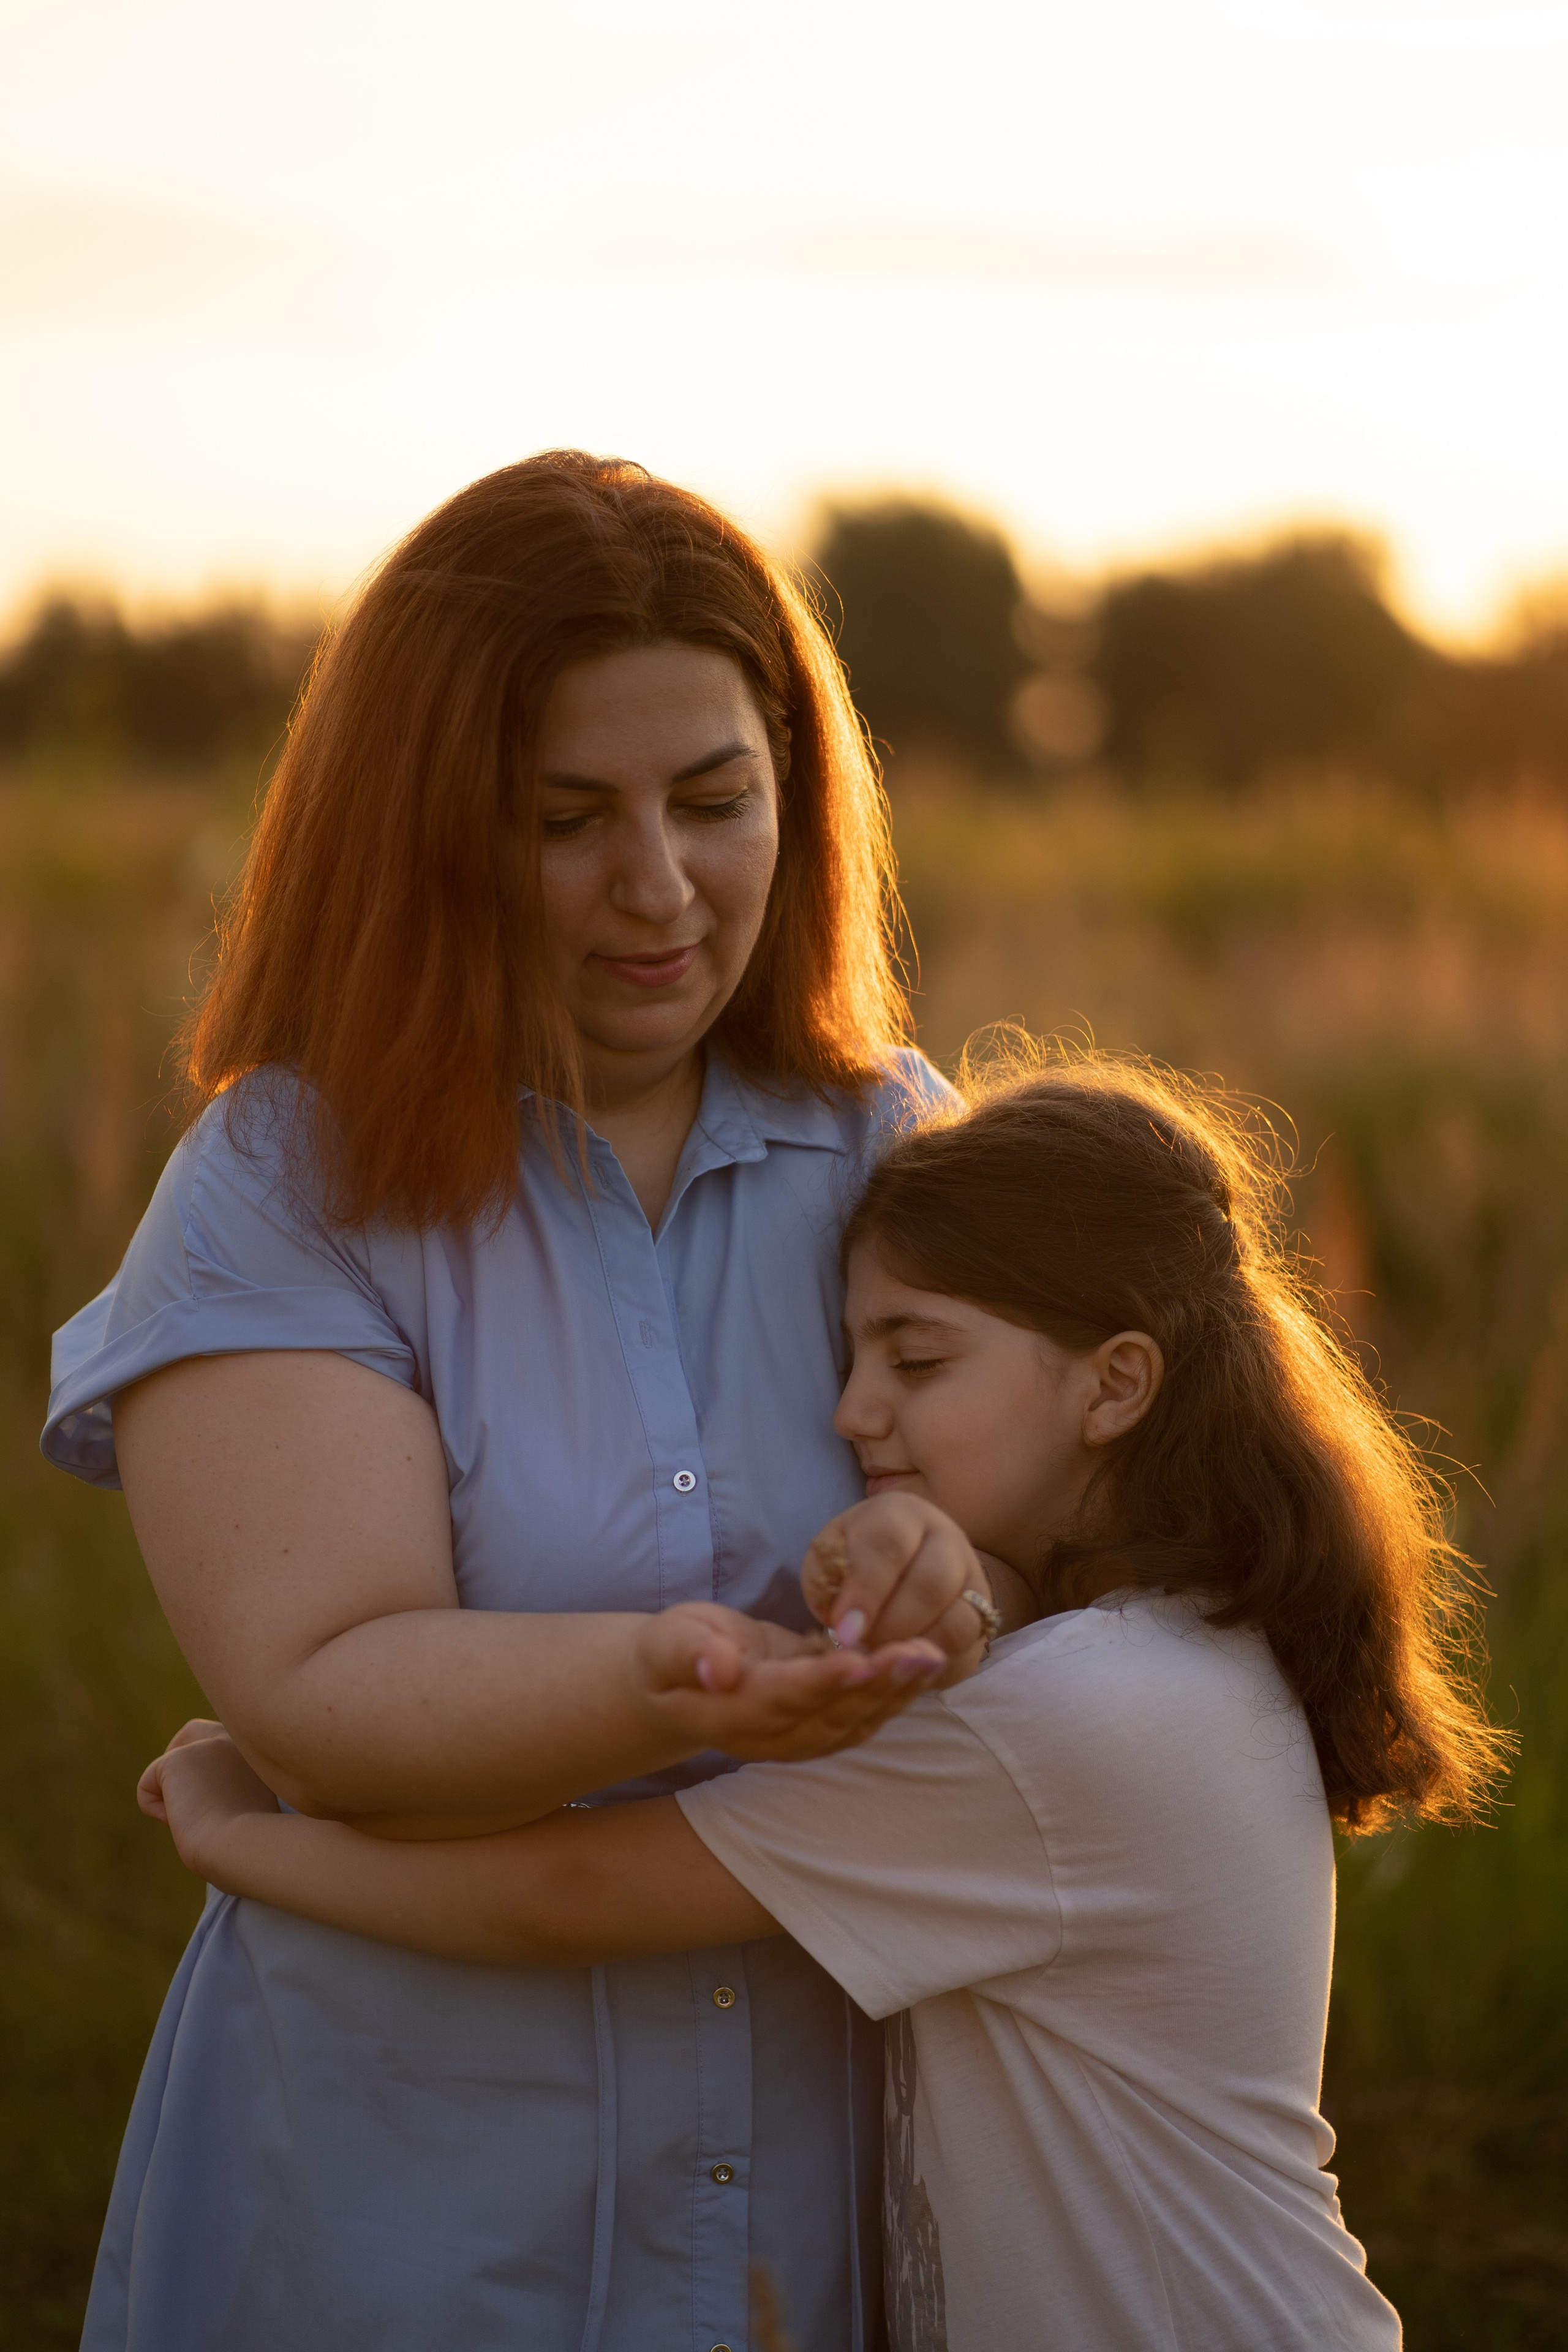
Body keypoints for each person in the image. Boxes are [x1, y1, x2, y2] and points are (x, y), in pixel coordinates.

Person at [41, 452, 1000, 2352]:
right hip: (403, 2222)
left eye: (718, 801)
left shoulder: (899, 1147)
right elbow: (317, 1703)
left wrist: (963, 1575)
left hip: (808, 2217)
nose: (658, 888)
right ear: (421, 835)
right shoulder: (283, 1186)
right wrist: (689, 1673)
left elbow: (1073, 1570)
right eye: (565, 820)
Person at [143, 1056, 1510, 2351]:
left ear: (1115, 1385)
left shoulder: (1067, 1723)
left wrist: (237, 1840)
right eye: (849, 1358)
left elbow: (566, 1896)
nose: (853, 1411)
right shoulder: (1173, 1652)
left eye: (915, 1363)